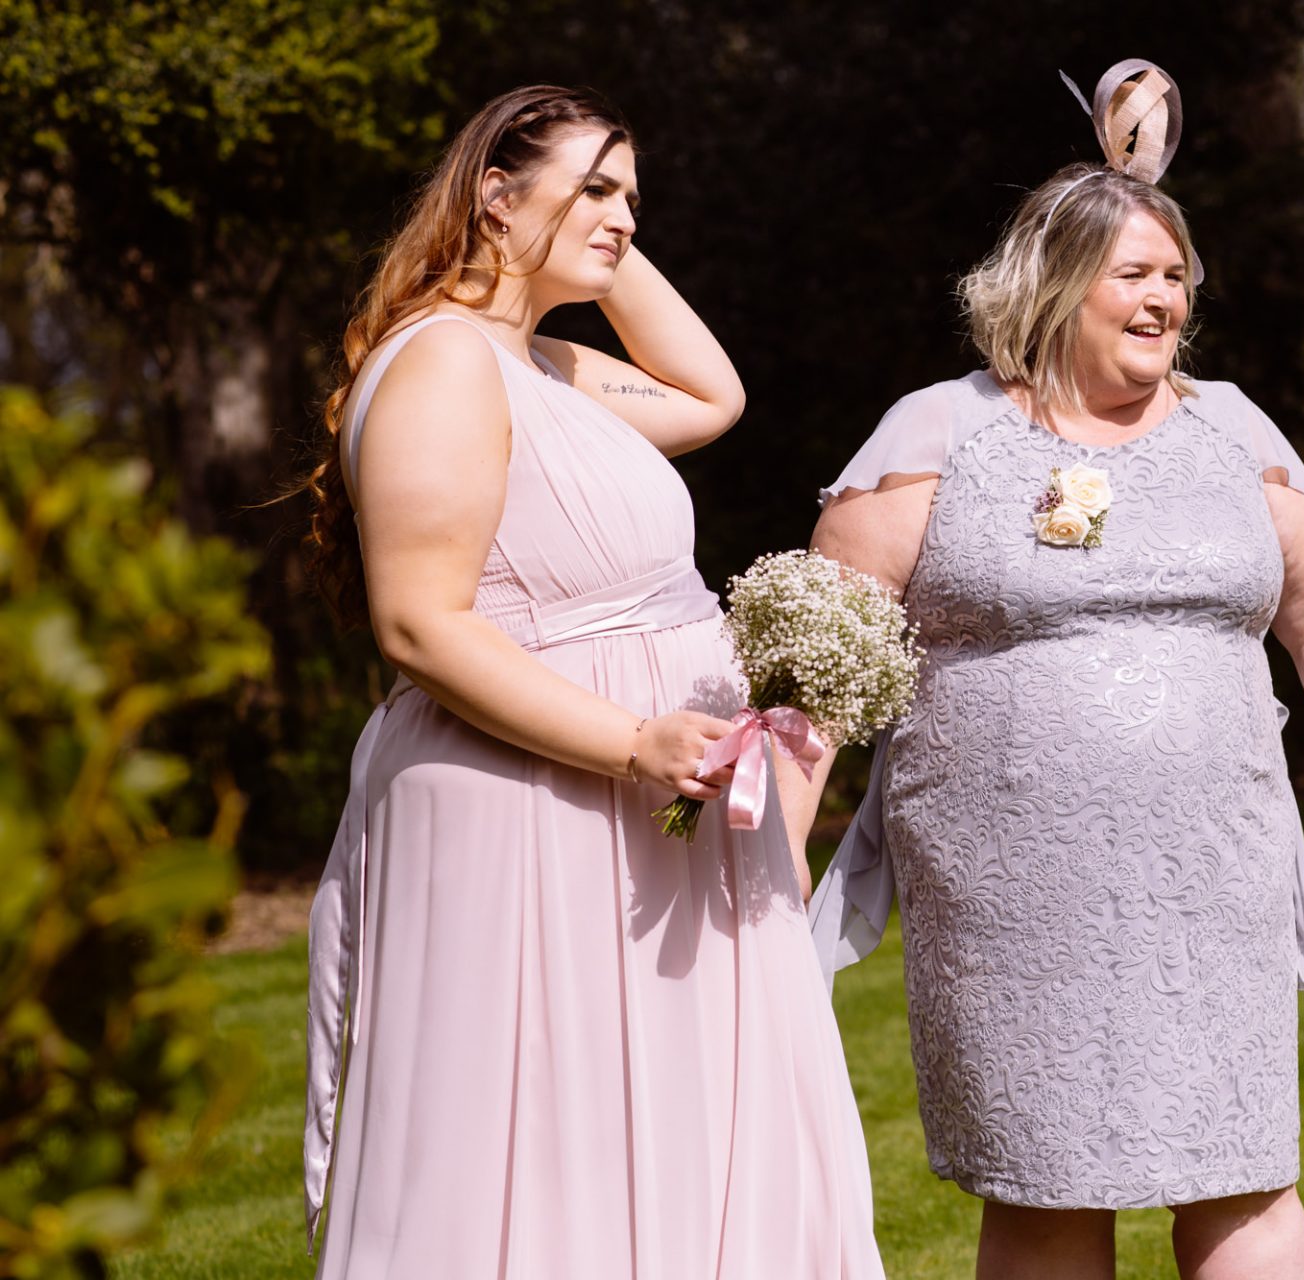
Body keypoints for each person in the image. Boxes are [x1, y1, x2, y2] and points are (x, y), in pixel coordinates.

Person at [804, 63, 1304, 1279]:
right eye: (1134, 274)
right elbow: (819, 662)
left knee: (1240, 1165)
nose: (1164, 298)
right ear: (1054, 286)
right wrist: (763, 866)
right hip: (1008, 881)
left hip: (1215, 867)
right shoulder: (939, 432)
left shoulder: (1236, 430)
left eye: (1176, 276)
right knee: (1046, 1180)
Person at [301, 84, 883, 1278]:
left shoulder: (547, 364)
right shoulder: (445, 363)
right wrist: (631, 740)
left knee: (666, 1122)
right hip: (541, 798)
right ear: (495, 197)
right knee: (538, 1133)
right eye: (600, 192)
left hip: (647, 800)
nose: (625, 219)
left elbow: (712, 397)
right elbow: (417, 622)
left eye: (635, 199)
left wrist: (594, 239)